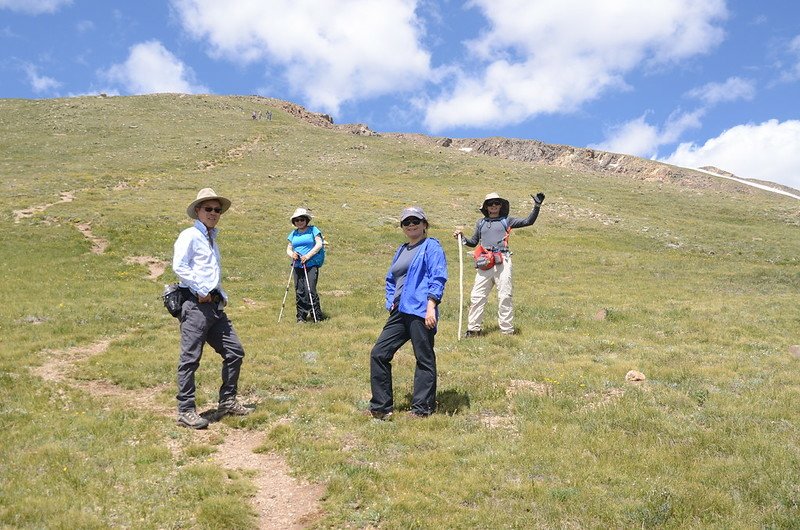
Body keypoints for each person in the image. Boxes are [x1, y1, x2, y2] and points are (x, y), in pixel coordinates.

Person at [172, 188, 251, 429]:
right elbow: (179, 266)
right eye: (209, 209)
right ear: (198, 211)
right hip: (195, 305)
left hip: (214, 306)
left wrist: (220, 294)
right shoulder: (189, 235)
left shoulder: (211, 238)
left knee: (234, 351)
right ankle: (186, 410)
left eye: (217, 210)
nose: (214, 213)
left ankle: (227, 401)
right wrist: (201, 289)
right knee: (190, 358)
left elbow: (211, 272)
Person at [368, 206, 448, 420]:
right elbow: (390, 279)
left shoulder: (431, 246)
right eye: (406, 222)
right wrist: (390, 302)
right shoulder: (402, 249)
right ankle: (380, 407)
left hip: (421, 310)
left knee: (423, 358)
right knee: (379, 353)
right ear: (403, 227)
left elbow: (437, 276)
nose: (411, 224)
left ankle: (422, 409)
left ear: (424, 224)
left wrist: (431, 306)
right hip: (400, 311)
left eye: (415, 220)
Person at [454, 192, 545, 336]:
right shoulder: (481, 223)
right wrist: (462, 238)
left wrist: (537, 206)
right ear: (486, 207)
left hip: (502, 260)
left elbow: (528, 221)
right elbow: (473, 242)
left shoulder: (507, 221)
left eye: (496, 203)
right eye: (490, 204)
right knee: (477, 296)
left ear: (501, 205)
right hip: (484, 262)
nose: (494, 206)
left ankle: (507, 331)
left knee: (505, 296)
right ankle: (473, 329)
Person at [286, 208, 325, 322]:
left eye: (302, 219)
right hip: (297, 265)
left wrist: (307, 256)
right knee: (299, 290)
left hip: (311, 263)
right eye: (296, 220)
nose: (299, 222)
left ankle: (316, 315)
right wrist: (292, 254)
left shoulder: (314, 230)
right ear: (294, 222)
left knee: (310, 289)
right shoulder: (293, 234)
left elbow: (319, 244)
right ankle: (301, 316)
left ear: (306, 220)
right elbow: (288, 249)